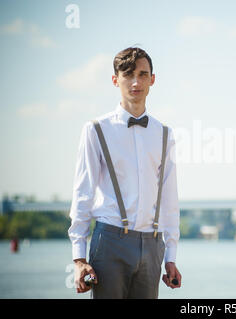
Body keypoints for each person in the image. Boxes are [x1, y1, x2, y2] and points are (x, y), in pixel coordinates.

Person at [68, 47, 181, 298]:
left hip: (153, 244)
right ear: (115, 79)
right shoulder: (96, 129)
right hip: (110, 241)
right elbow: (83, 192)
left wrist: (171, 256)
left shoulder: (165, 135)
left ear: (152, 79)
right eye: (128, 74)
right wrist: (78, 258)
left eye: (142, 74)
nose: (135, 82)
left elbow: (170, 199)